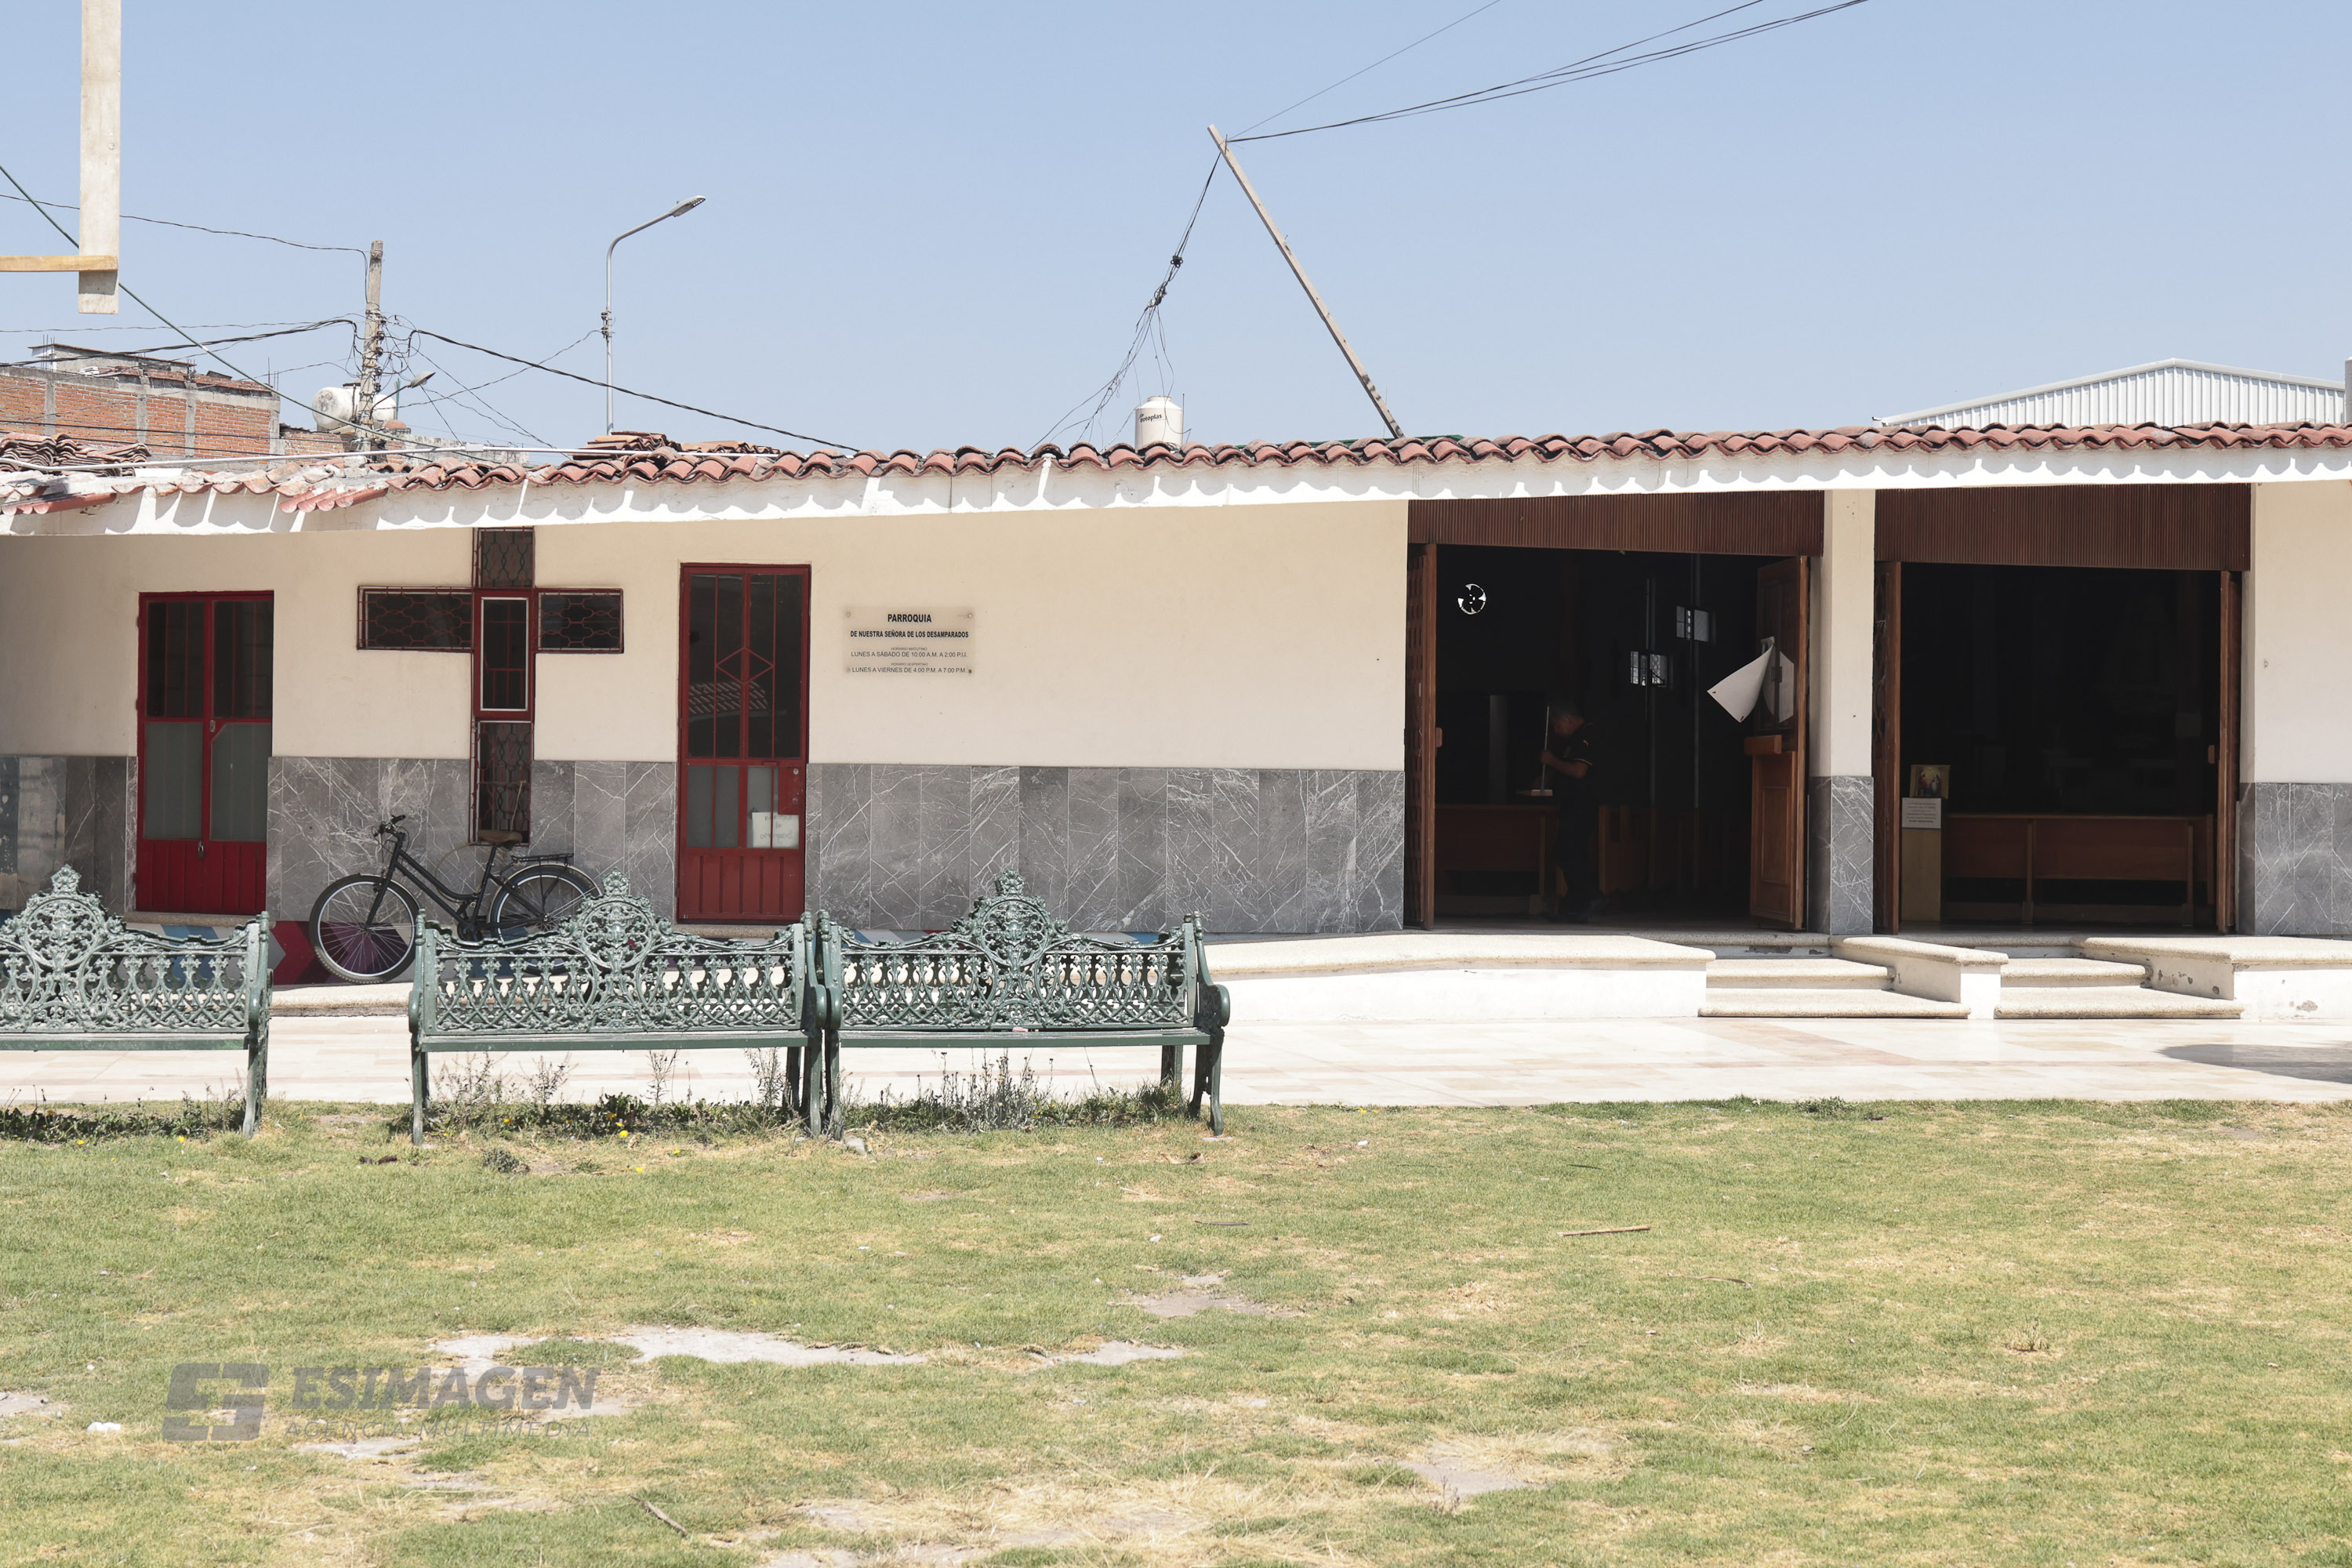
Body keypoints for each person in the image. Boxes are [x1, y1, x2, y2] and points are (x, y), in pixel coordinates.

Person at [1541, 700, 1607, 923]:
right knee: (1570, 852)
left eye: (1557, 725)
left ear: (1568, 718)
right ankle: (1576, 904)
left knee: (1567, 851)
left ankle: (1591, 895)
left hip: (1582, 804)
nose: (1556, 731)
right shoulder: (1571, 740)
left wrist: (1552, 761)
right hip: (1571, 804)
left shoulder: (1587, 734)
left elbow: (1579, 771)